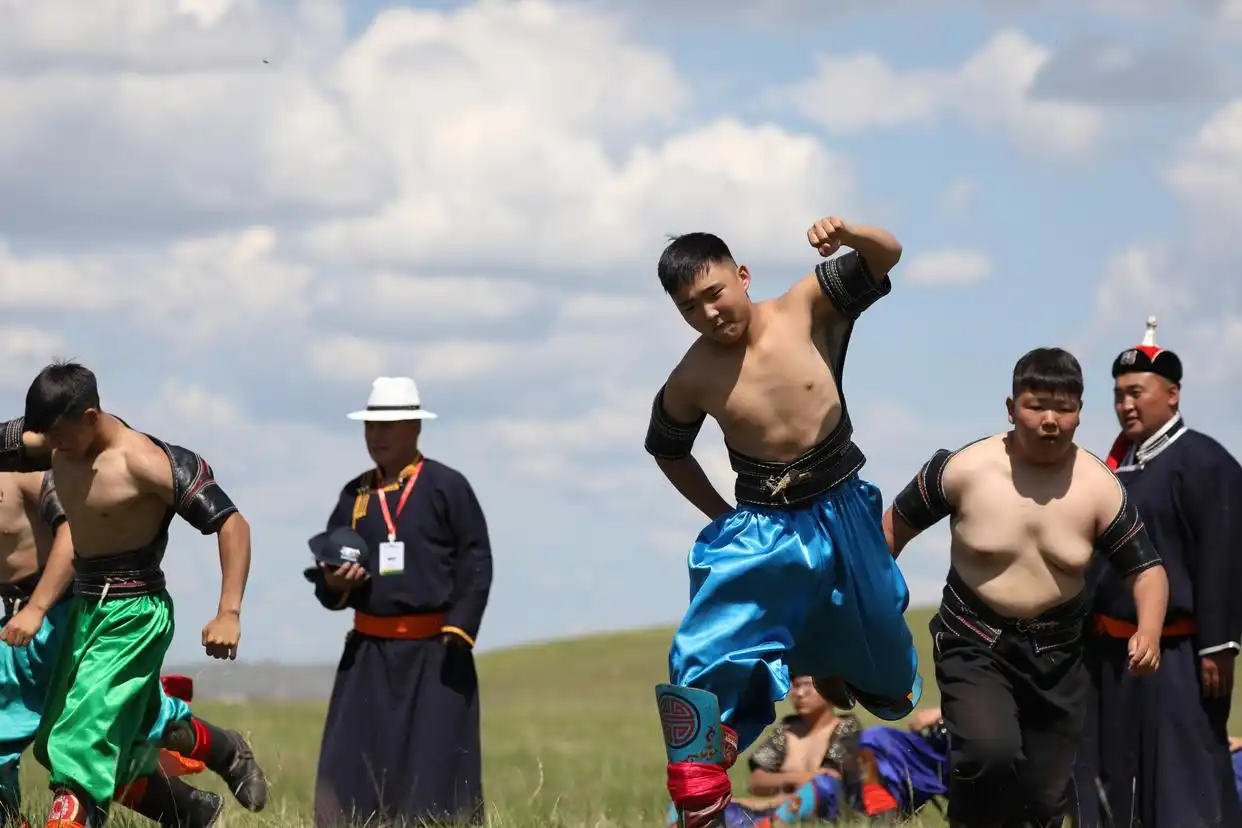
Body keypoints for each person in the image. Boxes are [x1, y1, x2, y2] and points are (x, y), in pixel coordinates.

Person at [645, 217, 923, 827]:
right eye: (691, 308)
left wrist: (848, 232)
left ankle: (843, 666)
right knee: (702, 649)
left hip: (843, 509)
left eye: (715, 292)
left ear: (741, 276)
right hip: (763, 529)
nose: (710, 313)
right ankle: (697, 788)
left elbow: (889, 254)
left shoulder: (806, 305)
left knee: (892, 684)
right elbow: (665, 447)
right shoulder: (692, 376)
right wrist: (721, 515)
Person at [883, 346, 1169, 827]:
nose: (1051, 420)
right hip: (973, 640)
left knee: (1042, 801)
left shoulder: (1100, 487)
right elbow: (890, 533)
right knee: (988, 752)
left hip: (1058, 657)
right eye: (1037, 406)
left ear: (1081, 413)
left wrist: (1151, 629)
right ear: (1011, 407)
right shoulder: (963, 468)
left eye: (1065, 407)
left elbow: (1148, 570)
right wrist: (865, 610)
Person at [0, 361, 266, 828]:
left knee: (80, 741)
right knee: (102, 735)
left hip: (132, 614)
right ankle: (216, 759)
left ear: (89, 416)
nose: (51, 448)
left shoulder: (145, 461)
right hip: (84, 611)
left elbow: (232, 523)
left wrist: (229, 610)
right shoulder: (57, 442)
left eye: (59, 435)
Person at [1070, 317, 1242, 828]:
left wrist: (1219, 645)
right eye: (1119, 394)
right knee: (1108, 779)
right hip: (1110, 653)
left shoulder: (1206, 461)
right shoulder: (1110, 470)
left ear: (1172, 394)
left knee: (1182, 779)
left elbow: (1223, 555)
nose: (1126, 404)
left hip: (1180, 653)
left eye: (1137, 392)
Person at [309, 376, 493, 828]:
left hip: (437, 654)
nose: (378, 435)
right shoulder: (355, 496)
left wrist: (460, 627)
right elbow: (329, 573)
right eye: (371, 426)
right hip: (368, 655)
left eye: (389, 425)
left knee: (435, 775)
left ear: (415, 426)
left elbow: (477, 560)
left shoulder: (448, 487)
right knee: (350, 771)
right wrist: (337, 582)